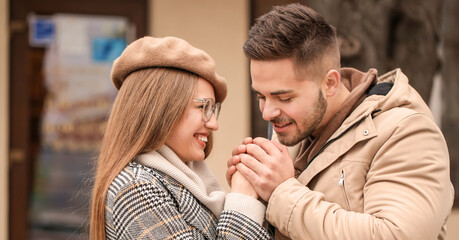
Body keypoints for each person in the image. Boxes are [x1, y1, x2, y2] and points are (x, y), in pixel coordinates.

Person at [227, 3, 454, 240]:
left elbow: (395, 236)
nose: (267, 112)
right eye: (261, 96)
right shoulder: (291, 130)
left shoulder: (407, 133)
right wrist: (251, 197)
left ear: (331, 83)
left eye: (284, 97)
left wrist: (280, 192)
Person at [90, 36, 271, 240]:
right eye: (203, 107)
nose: (214, 124)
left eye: (214, 110)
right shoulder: (135, 188)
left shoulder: (190, 182)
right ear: (160, 107)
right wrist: (242, 200)